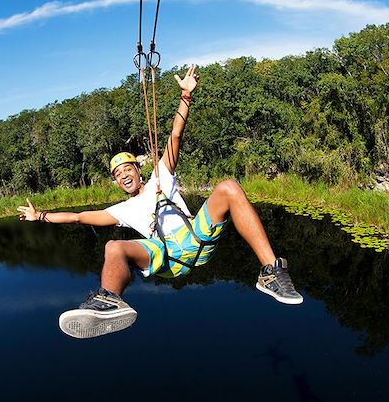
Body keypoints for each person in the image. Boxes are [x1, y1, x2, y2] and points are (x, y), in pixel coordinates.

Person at [17, 65, 303, 339]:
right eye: (118, 174)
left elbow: (175, 134)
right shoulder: (123, 210)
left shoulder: (161, 175)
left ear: (137, 170)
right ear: (116, 183)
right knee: (113, 246)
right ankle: (109, 300)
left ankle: (271, 272)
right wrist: (40, 215)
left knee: (228, 187)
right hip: (167, 257)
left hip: (195, 239)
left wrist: (186, 97)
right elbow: (78, 218)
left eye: (127, 169)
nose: (124, 175)